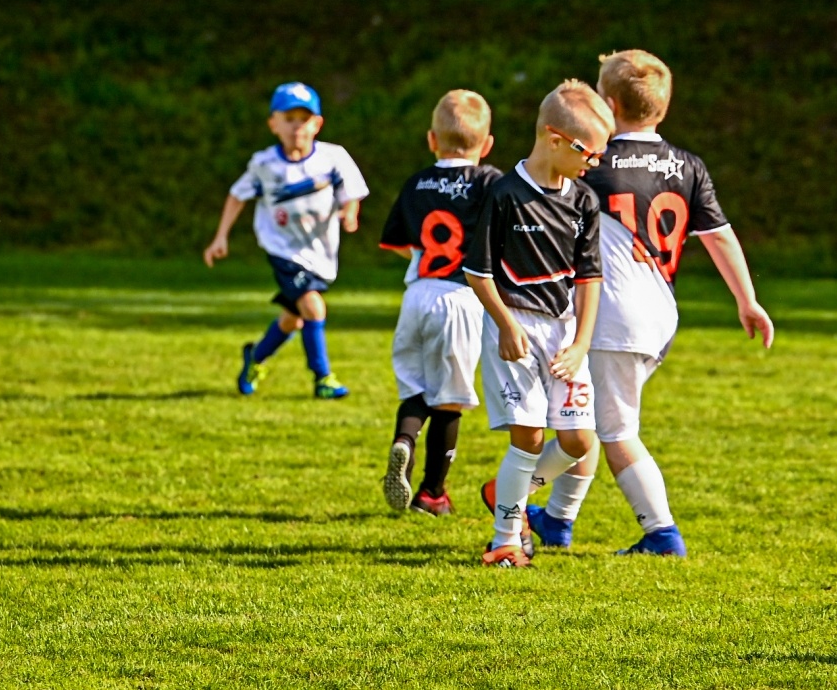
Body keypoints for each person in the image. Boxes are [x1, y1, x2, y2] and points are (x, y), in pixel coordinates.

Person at [531, 49, 774, 557]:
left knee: (612, 430)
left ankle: (660, 532)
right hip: (660, 312)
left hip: (612, 313)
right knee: (592, 417)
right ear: (661, 109)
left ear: (608, 103)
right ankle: (555, 521)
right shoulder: (688, 165)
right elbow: (720, 236)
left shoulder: (591, 163)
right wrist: (747, 300)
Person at [464, 80, 614, 567]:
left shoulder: (585, 201)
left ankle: (505, 489)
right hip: (516, 329)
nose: (595, 164)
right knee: (527, 437)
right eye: (589, 153)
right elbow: (477, 271)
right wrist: (506, 326)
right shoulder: (504, 193)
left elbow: (590, 277)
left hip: (566, 333)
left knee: (577, 441)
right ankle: (506, 537)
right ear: (554, 139)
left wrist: (581, 343)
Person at [377, 91, 503, 516]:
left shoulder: (416, 182)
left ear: (432, 139)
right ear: (485, 146)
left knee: (415, 388)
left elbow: (395, 241)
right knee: (450, 398)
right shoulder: (490, 182)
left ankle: (403, 441)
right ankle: (432, 494)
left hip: (417, 294)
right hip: (461, 297)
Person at [203, 82, 369, 400]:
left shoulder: (333, 157)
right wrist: (220, 236)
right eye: (288, 118)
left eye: (303, 119)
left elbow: (353, 193)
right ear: (273, 124)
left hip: (320, 253)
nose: (296, 126)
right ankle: (323, 378)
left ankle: (255, 358)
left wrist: (350, 213)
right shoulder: (265, 164)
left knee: (293, 319)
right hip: (283, 250)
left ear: (317, 124)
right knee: (312, 305)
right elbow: (237, 196)